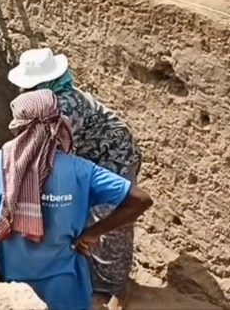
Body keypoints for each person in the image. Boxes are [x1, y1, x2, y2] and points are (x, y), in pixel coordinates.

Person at [0, 90, 153, 310]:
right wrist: (93, 233)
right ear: (58, 125)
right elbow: (141, 200)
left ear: (18, 125)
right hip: (66, 290)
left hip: (15, 287)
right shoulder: (80, 170)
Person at [9, 48, 143, 308]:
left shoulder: (64, 108)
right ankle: (92, 273)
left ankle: (117, 288)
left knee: (112, 223)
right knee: (86, 217)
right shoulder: (40, 98)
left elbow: (53, 157)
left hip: (114, 158)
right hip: (88, 156)